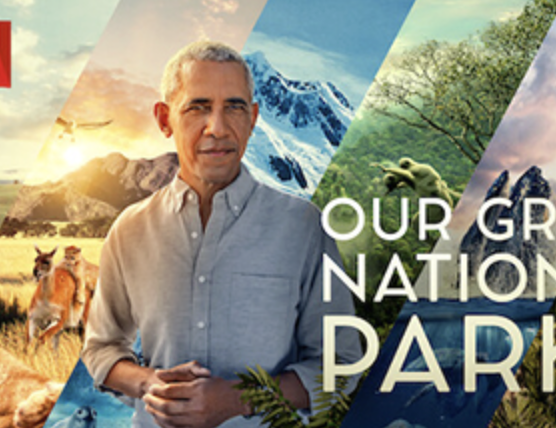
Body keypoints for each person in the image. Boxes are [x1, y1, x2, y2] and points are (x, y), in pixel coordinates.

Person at [81, 40, 361, 428]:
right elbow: (101, 348)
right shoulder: (129, 230)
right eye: (198, 108)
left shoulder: (303, 227)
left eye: (234, 107)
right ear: (164, 119)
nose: (218, 127)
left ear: (253, 118)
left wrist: (239, 399)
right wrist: (148, 382)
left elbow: (341, 365)